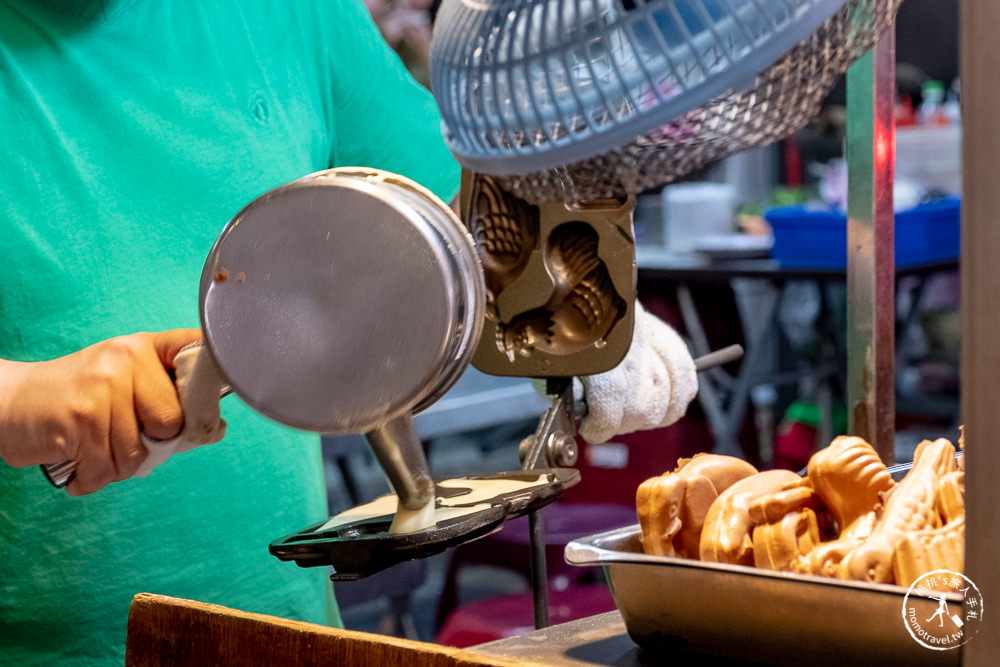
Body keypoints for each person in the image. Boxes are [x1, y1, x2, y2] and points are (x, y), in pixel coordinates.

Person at [0, 0, 697, 664]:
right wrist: (16, 398)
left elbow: (462, 220)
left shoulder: (285, 13)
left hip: (281, 634)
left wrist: (585, 315)